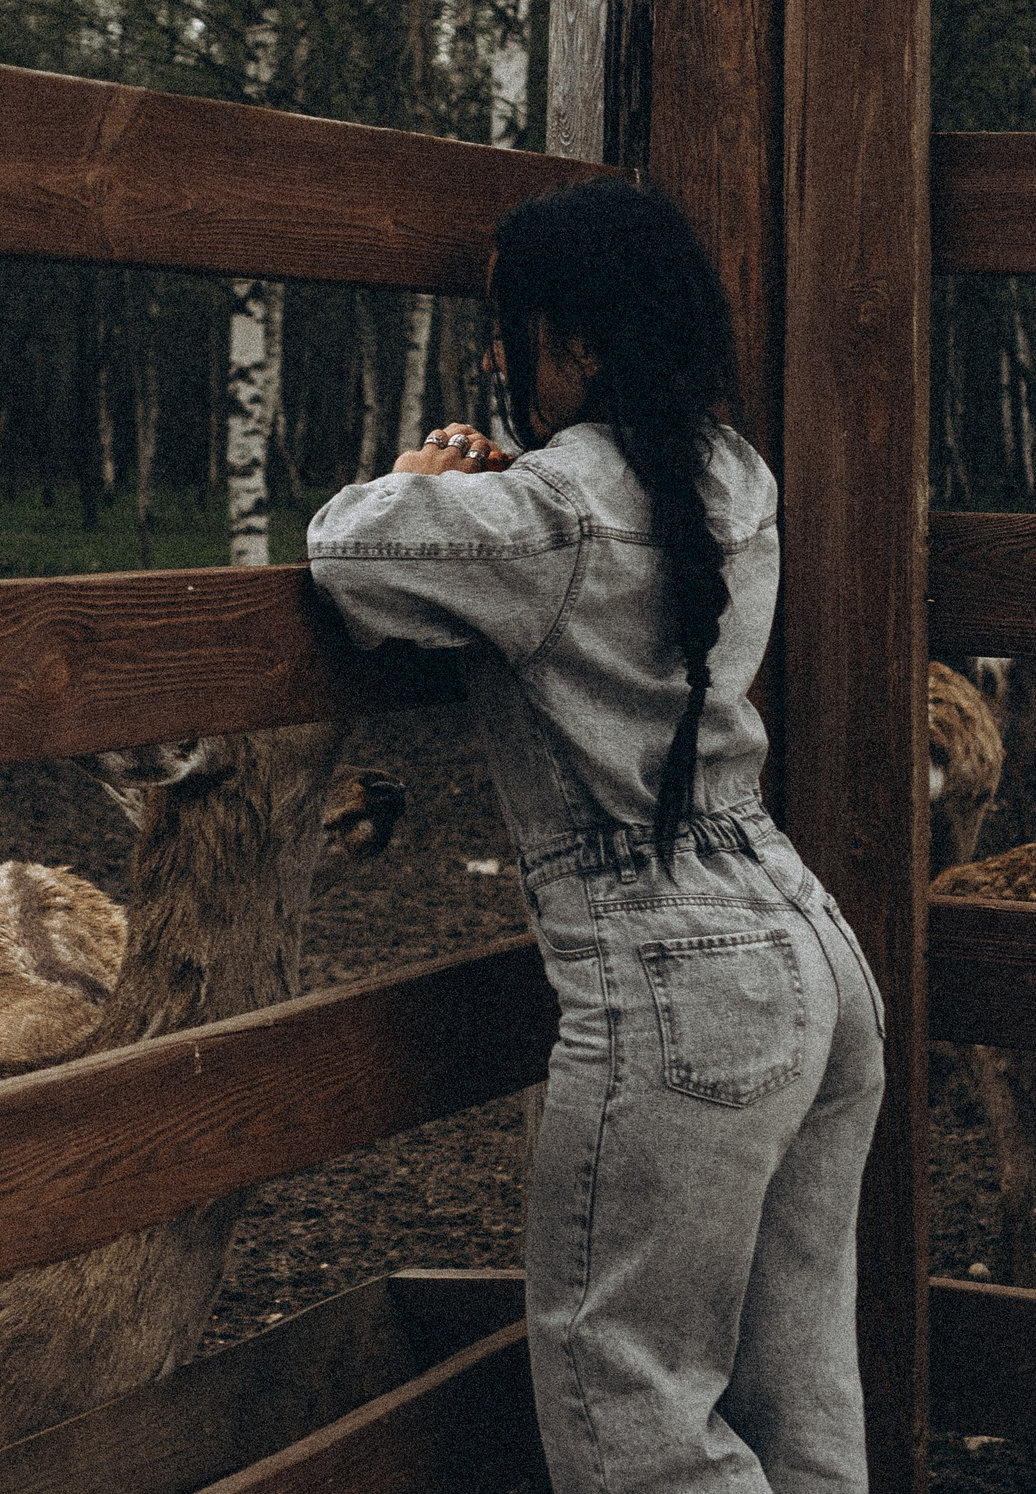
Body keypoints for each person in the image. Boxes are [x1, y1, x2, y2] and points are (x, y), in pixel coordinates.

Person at [305, 177, 885, 1494]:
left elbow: (348, 553)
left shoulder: (544, 513)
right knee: (799, 1404)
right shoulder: (735, 474)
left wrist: (415, 477)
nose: (503, 361)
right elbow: (615, 535)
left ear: (578, 341)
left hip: (678, 982)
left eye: (515, 330)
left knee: (632, 1414)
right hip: (811, 959)